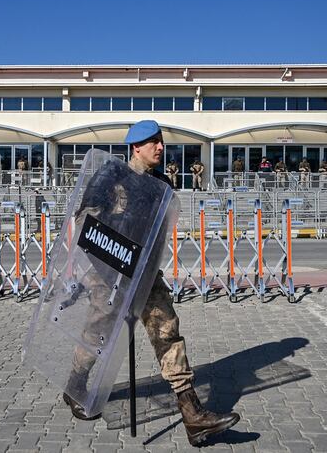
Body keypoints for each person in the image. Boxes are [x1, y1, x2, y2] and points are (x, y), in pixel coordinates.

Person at [62, 120, 240, 446]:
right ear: (136, 147)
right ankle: (76, 384)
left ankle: (192, 414)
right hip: (109, 272)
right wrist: (108, 253)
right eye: (152, 142)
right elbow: (82, 222)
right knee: (97, 333)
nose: (160, 147)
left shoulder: (161, 185)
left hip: (144, 272)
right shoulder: (111, 177)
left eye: (161, 141)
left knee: (167, 331)